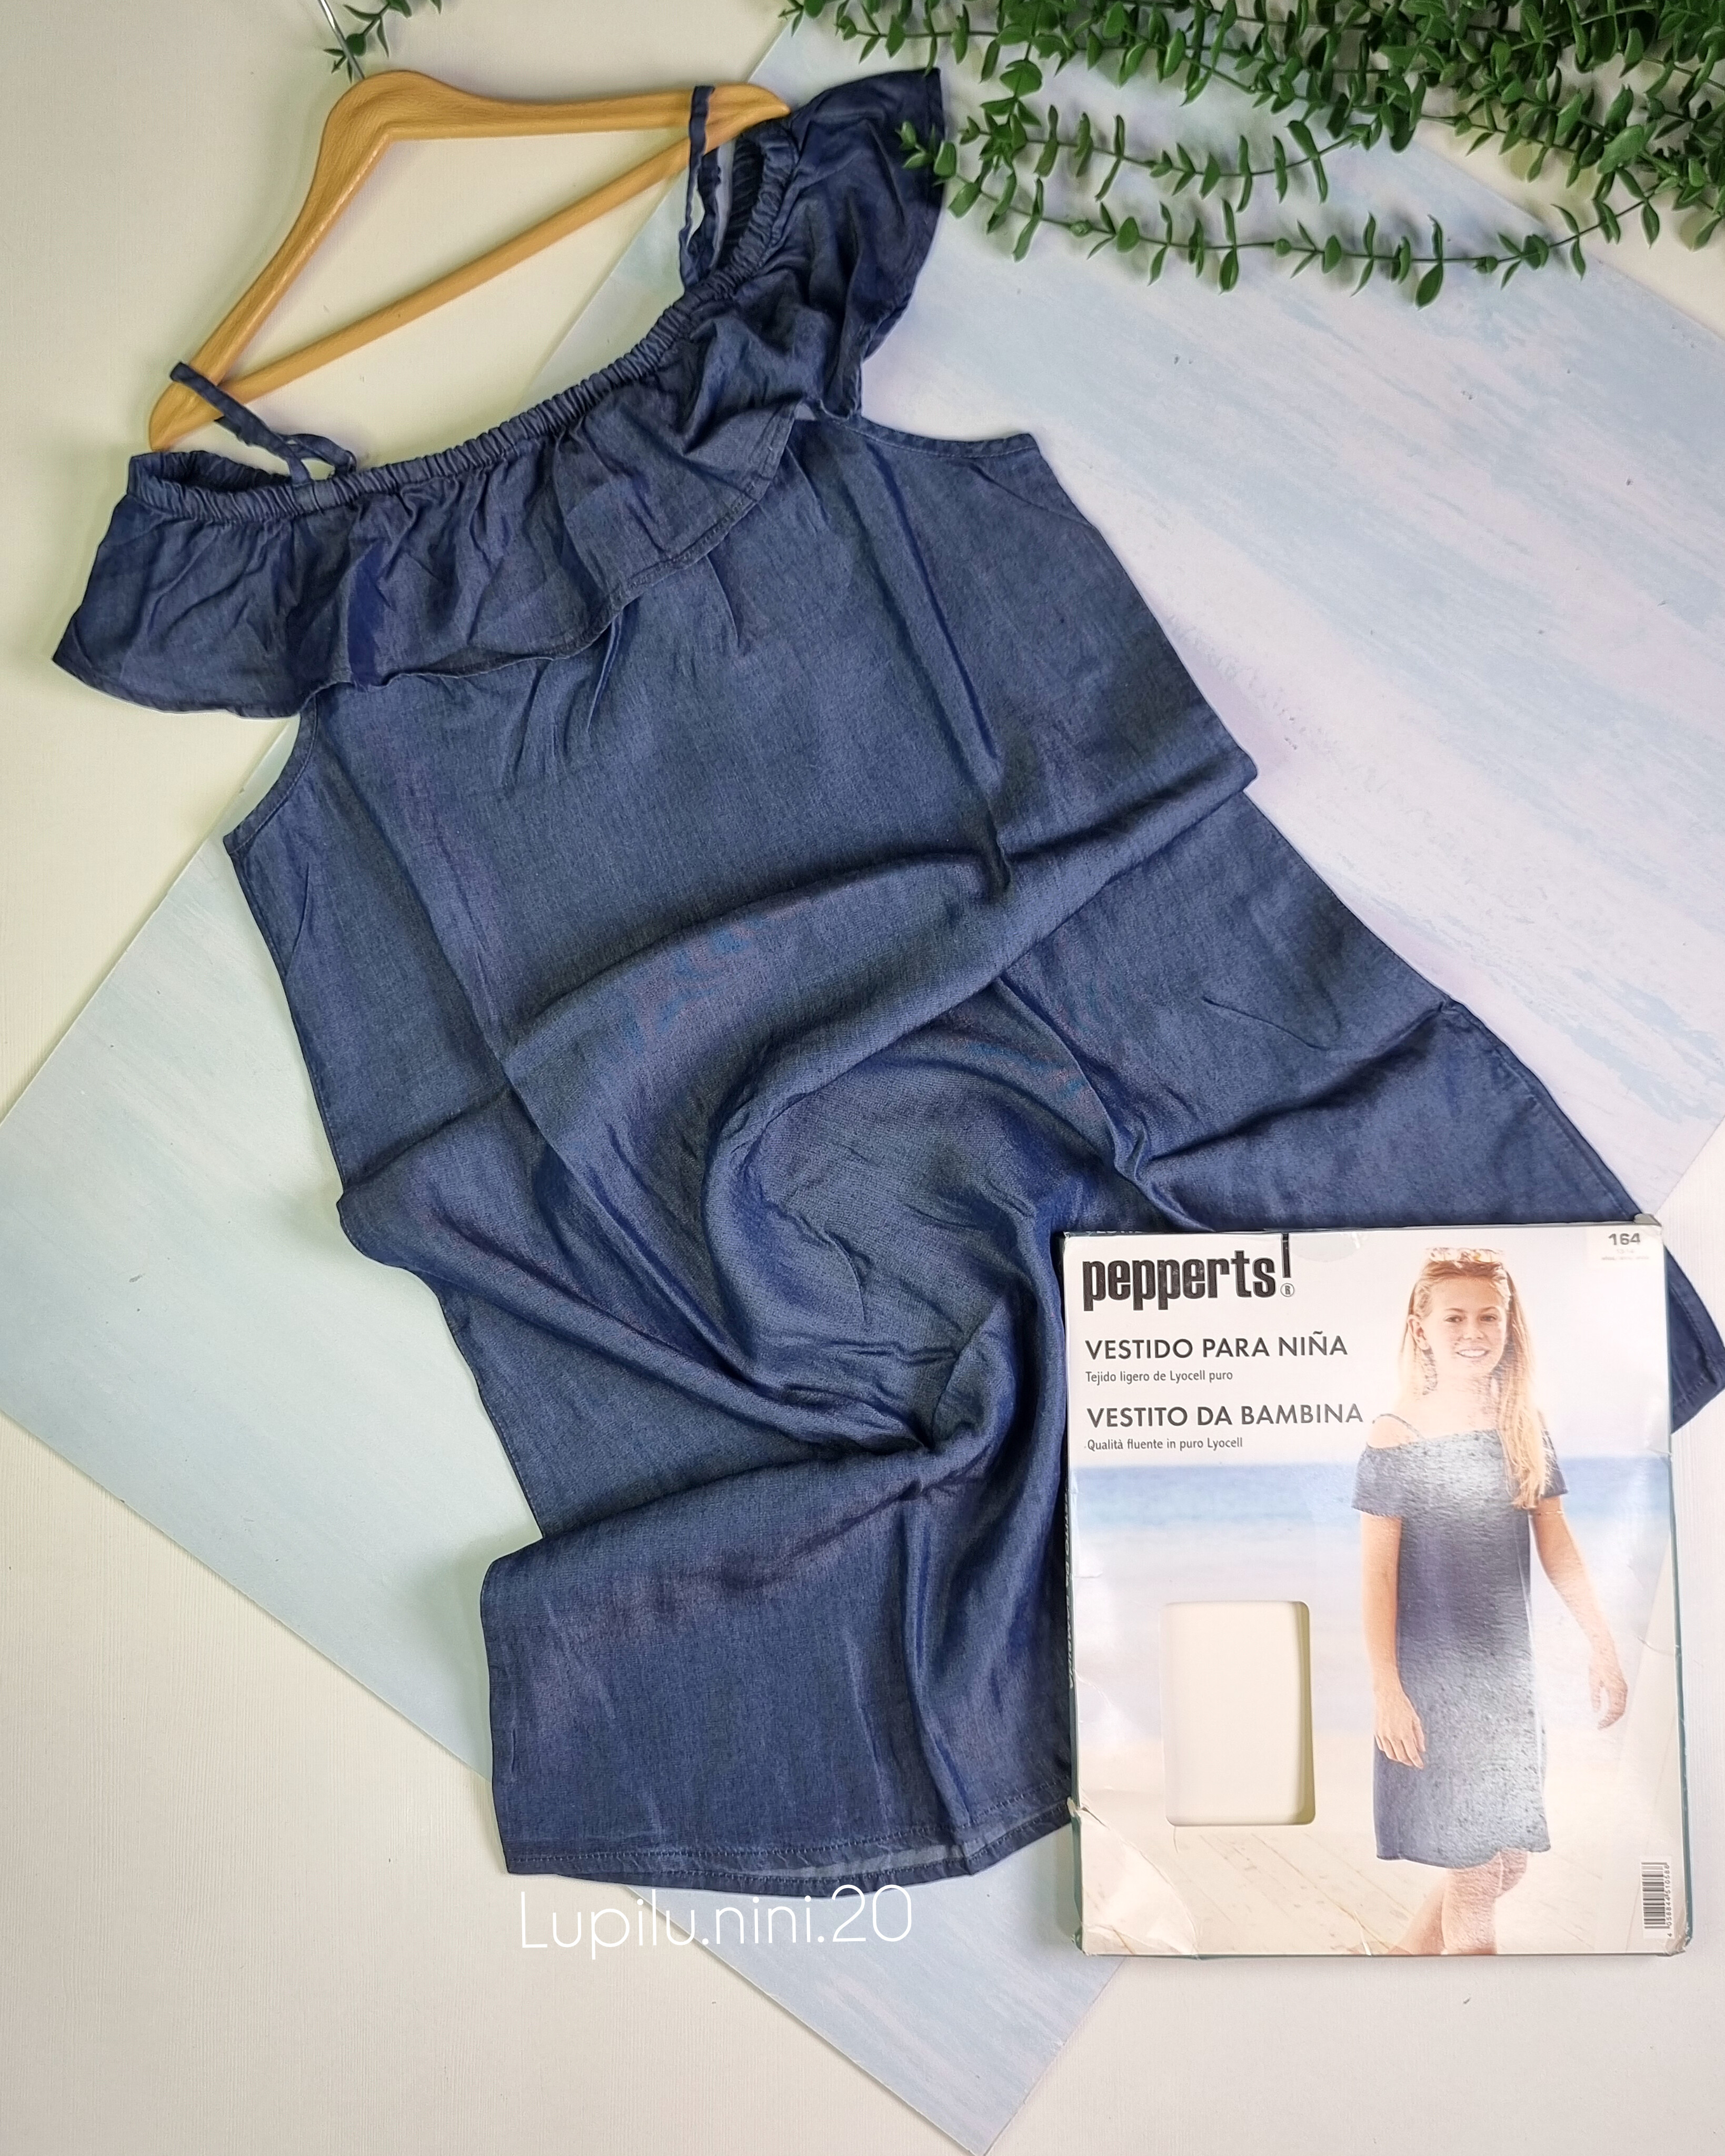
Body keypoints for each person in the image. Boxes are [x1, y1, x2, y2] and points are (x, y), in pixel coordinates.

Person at [1353, 1247, 1628, 1954]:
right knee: (1475, 1875)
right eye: (1454, 1318)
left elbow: (1557, 1543)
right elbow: (1377, 1578)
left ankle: (1404, 1960)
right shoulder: (1397, 1434)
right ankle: (1479, 2001)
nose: (1473, 1332)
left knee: (1506, 1863)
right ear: (1420, 1328)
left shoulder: (1521, 1424)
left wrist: (1601, 1644)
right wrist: (1387, 1691)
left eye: (1488, 1316)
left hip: (1507, 1682)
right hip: (1437, 1685)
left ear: (1509, 1324)